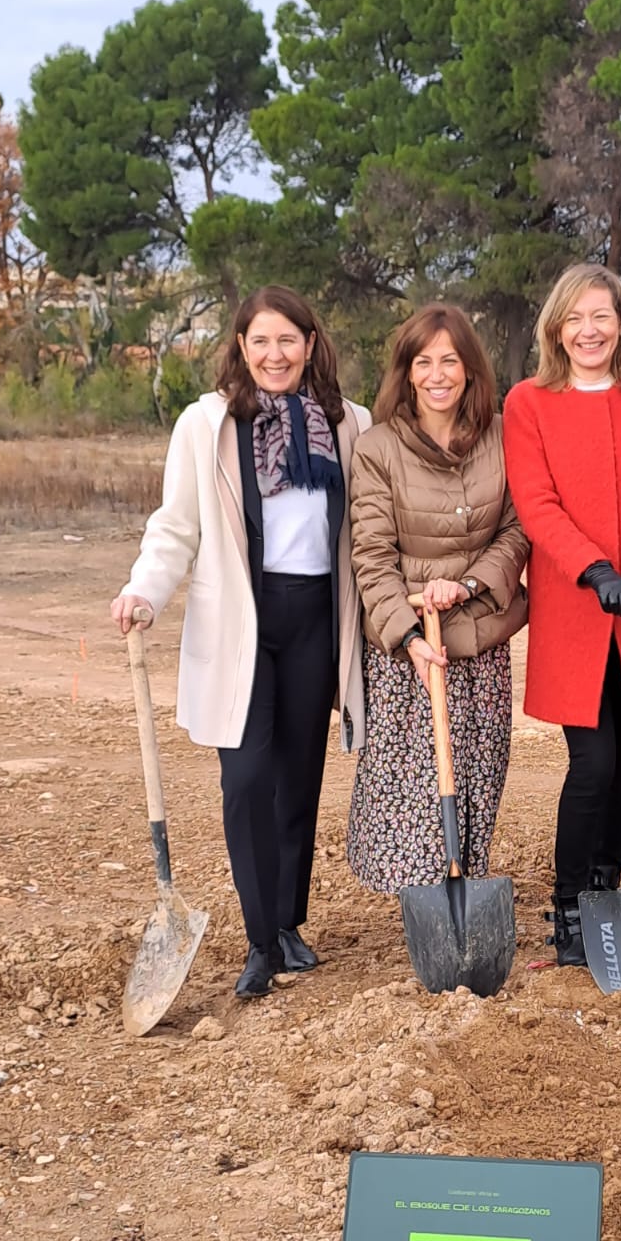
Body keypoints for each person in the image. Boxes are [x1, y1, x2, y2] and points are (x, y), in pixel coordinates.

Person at [110, 285, 372, 999]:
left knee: (299, 778)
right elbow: (176, 525)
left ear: (310, 345)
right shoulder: (208, 423)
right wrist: (145, 590)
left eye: (288, 339)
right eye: (260, 341)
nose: (274, 353)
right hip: (242, 622)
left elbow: (369, 529)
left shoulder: (350, 424)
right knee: (248, 779)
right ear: (241, 347)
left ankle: (289, 923)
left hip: (317, 613)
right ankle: (259, 939)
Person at [503, 263, 621, 967]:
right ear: (557, 327)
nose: (589, 330)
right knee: (593, 763)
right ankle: (569, 912)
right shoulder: (528, 402)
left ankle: (608, 895)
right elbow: (537, 503)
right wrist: (595, 569)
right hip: (578, 610)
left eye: (602, 317)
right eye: (575, 318)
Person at [346, 305, 528, 894]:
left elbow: (518, 528)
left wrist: (470, 584)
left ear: (470, 369)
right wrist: (409, 633)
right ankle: (425, 903)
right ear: (407, 371)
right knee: (414, 787)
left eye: (450, 360)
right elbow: (371, 556)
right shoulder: (377, 449)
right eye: (424, 361)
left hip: (479, 640)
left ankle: (465, 891)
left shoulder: (502, 437)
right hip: (409, 652)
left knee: (477, 775)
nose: (437, 373)